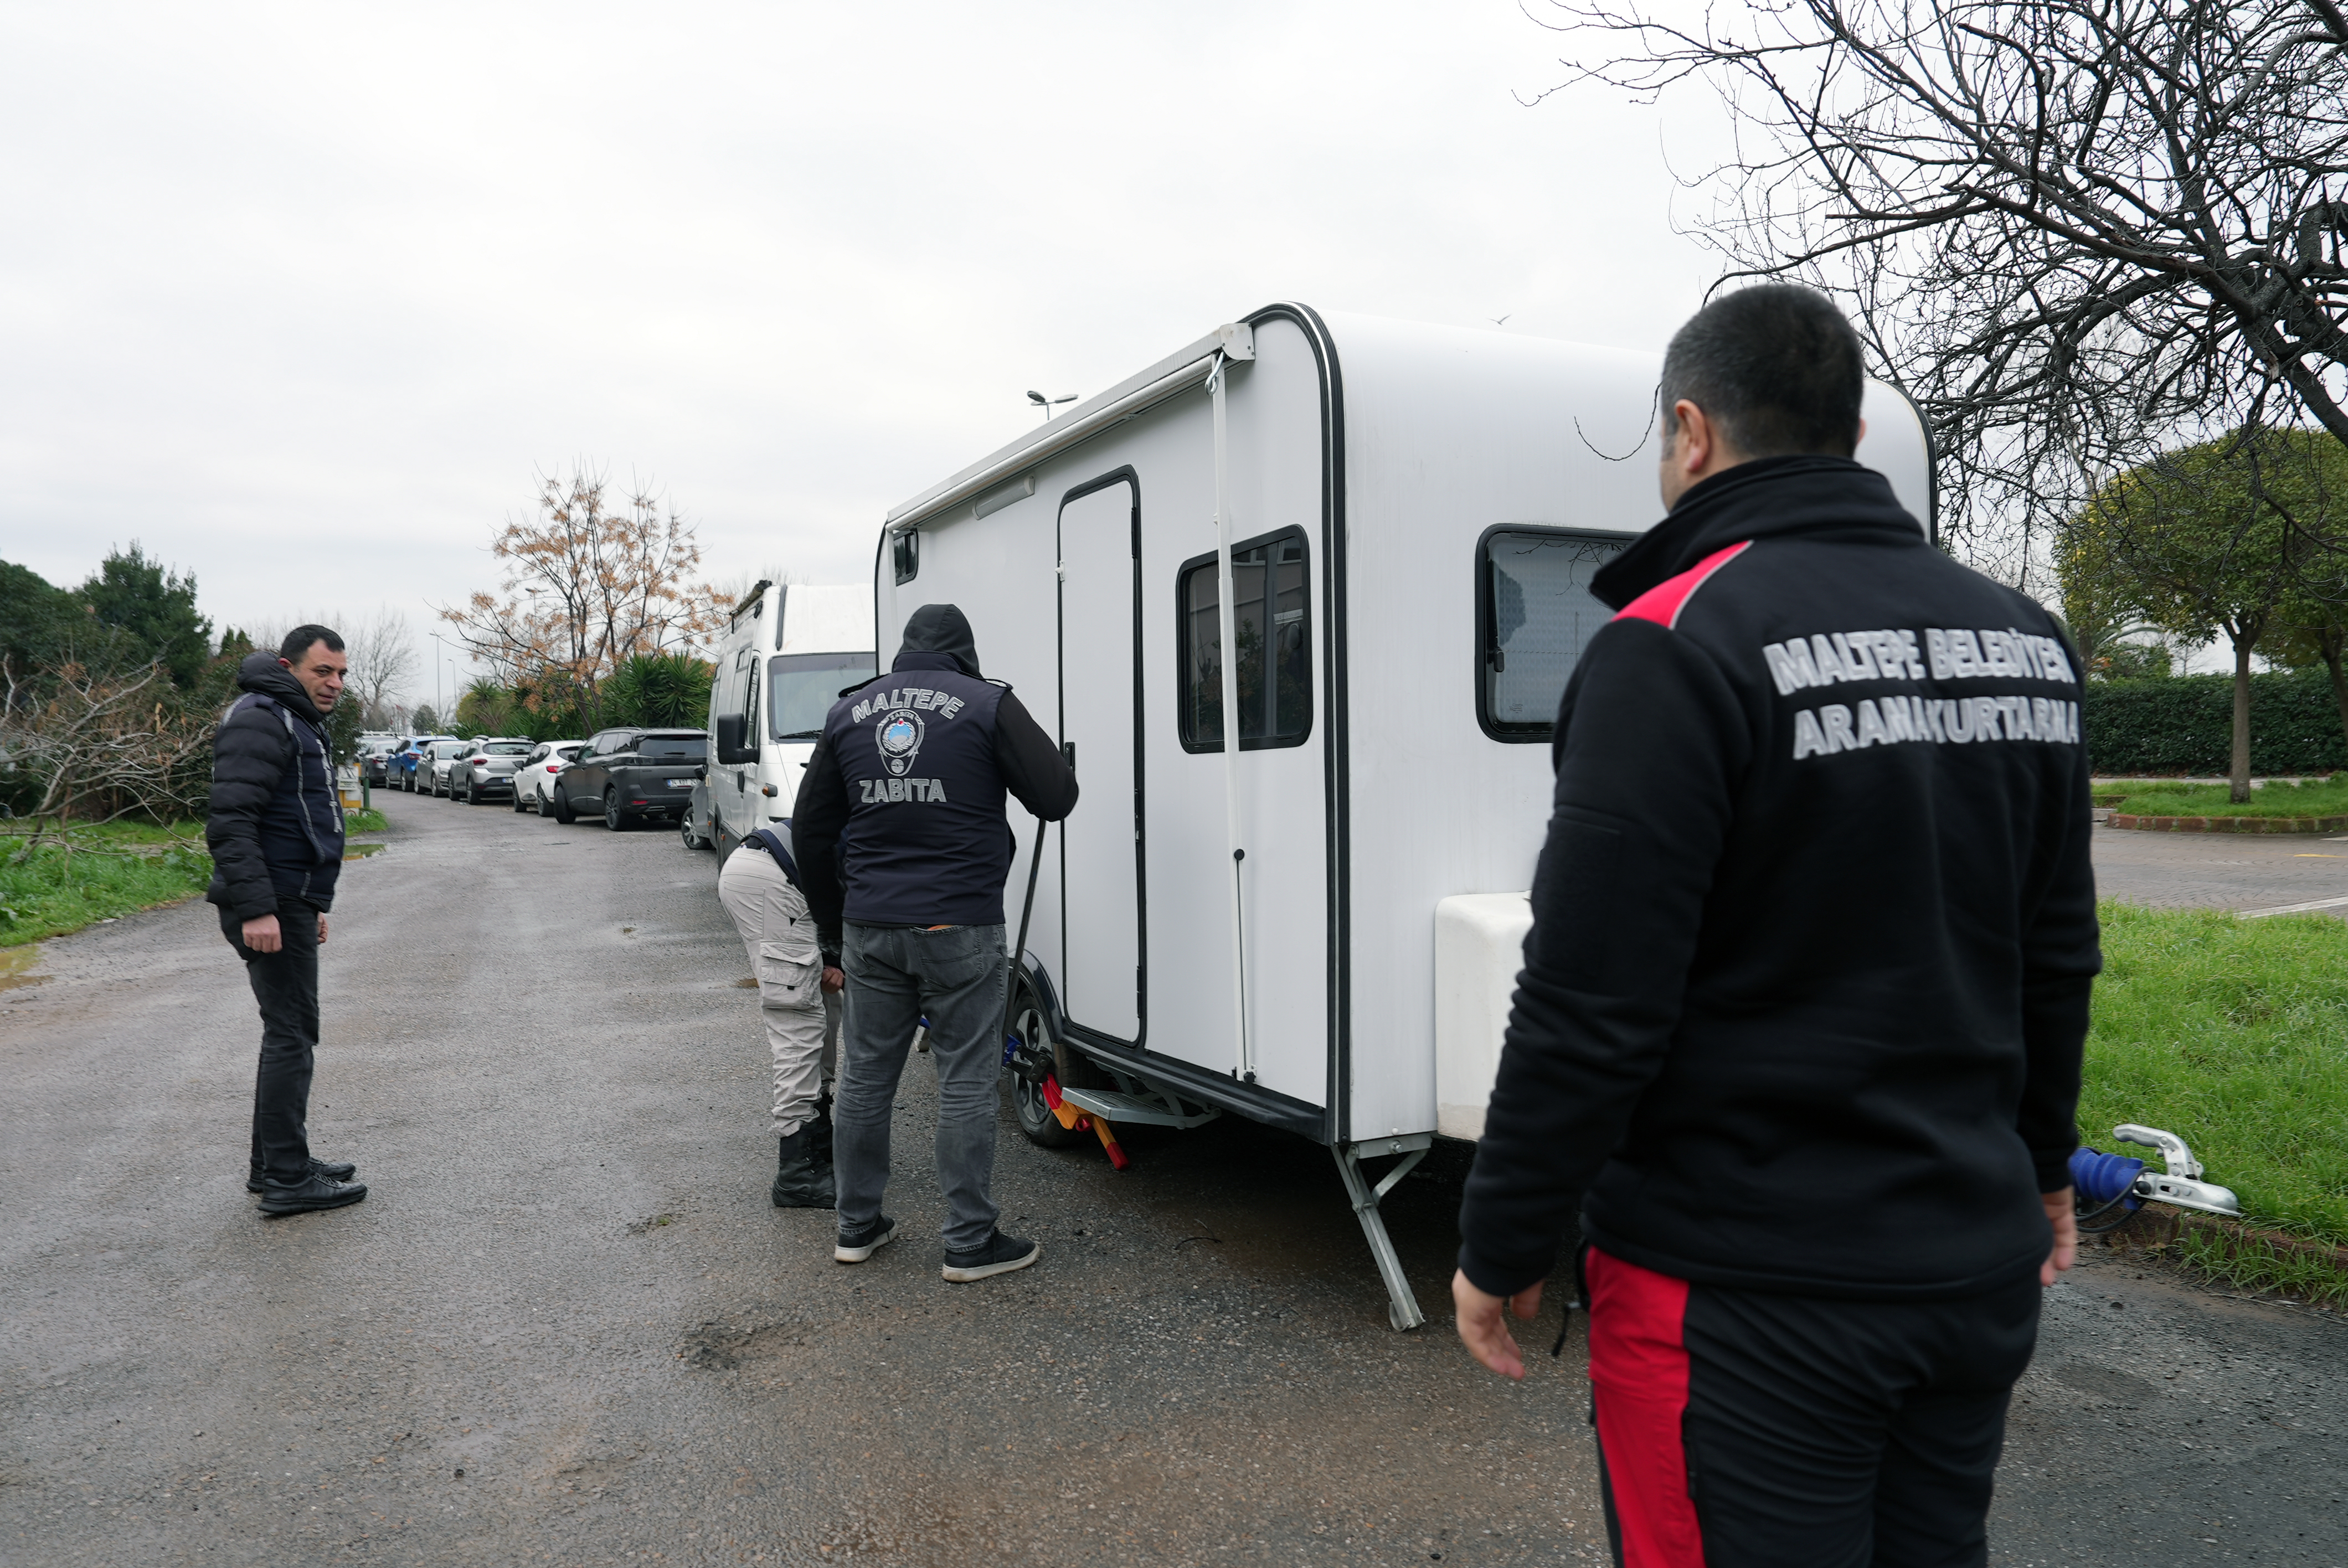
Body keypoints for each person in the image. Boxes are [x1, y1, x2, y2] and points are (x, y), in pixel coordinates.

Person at [1451, 285, 2100, 1566]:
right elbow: (2052, 951)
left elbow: (1591, 998)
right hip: (1966, 1274)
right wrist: (2038, 1166)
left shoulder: (1670, 642)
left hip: (1745, 1296)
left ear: (1691, 433)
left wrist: (1502, 1235)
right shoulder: (2025, 641)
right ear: (1850, 434)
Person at [791, 604, 1078, 1282]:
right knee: (966, 1081)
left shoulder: (848, 712)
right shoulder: (988, 704)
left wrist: (833, 925)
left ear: (904, 651)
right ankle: (969, 1242)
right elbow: (1055, 799)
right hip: (960, 926)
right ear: (966, 654)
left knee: (865, 1077)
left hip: (871, 927)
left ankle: (856, 1225)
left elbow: (809, 829)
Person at [207, 626, 368, 1218]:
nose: (335, 683)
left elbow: (297, 818)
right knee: (291, 1034)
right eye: (323, 671)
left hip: (288, 900)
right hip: (269, 901)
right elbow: (232, 821)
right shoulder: (262, 717)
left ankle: (275, 1163)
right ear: (288, 666)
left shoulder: (292, 718)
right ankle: (287, 1179)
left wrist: (312, 903)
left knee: (288, 1031)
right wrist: (258, 908)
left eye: (341, 673)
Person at [717, 819, 845, 1206]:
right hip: (774, 880)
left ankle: (819, 1137)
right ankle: (797, 1174)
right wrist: (835, 957)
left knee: (824, 1006)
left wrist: (834, 958)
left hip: (775, 872)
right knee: (798, 1022)